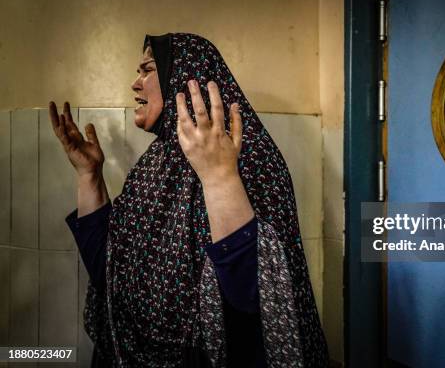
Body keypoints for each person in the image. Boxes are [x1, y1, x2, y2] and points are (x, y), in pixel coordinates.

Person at [48, 33, 329, 367]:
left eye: (147, 70)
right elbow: (109, 270)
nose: (136, 84)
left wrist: (221, 179)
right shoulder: (156, 163)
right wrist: (88, 175)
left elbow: (259, 304)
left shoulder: (252, 159)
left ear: (186, 78)